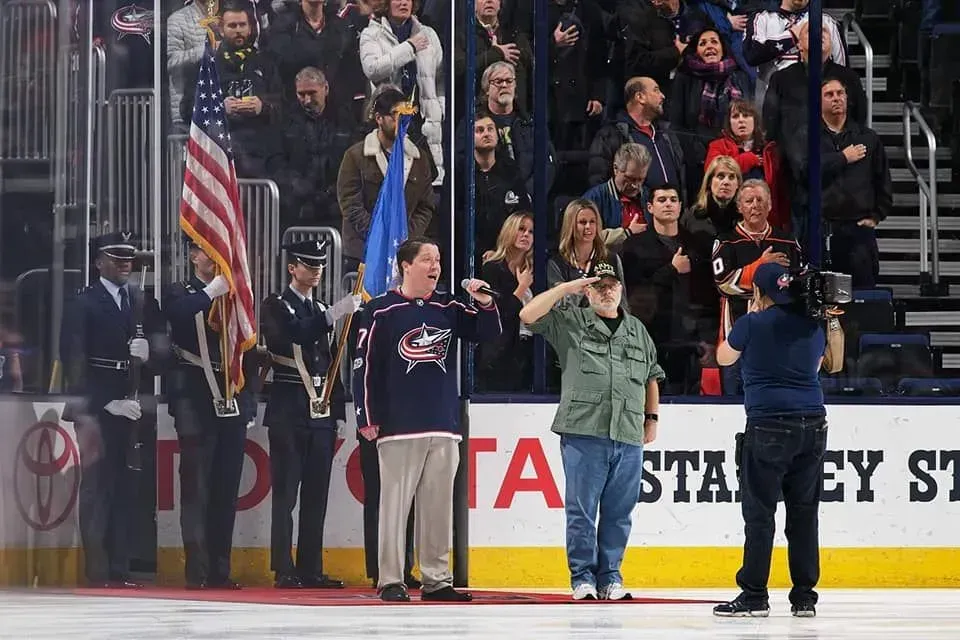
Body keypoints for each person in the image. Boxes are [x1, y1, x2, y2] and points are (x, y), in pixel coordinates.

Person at [352, 237, 502, 602]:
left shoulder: (449, 306)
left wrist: (484, 301)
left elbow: (489, 332)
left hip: (443, 423)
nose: (435, 265)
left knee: (438, 507)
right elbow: (363, 367)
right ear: (406, 265)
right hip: (399, 425)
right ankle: (391, 579)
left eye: (437, 259)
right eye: (427, 259)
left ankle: (437, 580)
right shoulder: (381, 310)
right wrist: (367, 415)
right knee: (394, 505)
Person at [518, 262, 665, 601]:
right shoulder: (570, 323)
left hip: (627, 432)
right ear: (587, 291)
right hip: (585, 430)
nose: (606, 291)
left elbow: (651, 376)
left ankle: (611, 577)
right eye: (598, 286)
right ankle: (582, 577)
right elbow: (527, 314)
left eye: (611, 285)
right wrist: (564, 289)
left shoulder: (637, 330)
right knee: (581, 511)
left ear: (620, 289)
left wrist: (652, 419)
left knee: (619, 512)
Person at [712, 262, 844, 618]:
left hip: (769, 423)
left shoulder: (751, 324)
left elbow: (723, 357)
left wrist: (750, 321)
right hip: (812, 424)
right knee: (804, 514)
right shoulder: (813, 323)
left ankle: (755, 596)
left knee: (760, 514)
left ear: (758, 292)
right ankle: (804, 597)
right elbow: (819, 365)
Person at [59, 232, 164, 588]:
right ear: (98, 262)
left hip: (132, 404)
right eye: (116, 257)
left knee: (126, 490)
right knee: (98, 490)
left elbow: (165, 353)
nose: (124, 263)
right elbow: (73, 361)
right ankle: (98, 571)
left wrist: (150, 353)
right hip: (96, 410)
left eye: (128, 258)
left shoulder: (140, 300)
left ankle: (120, 569)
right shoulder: (83, 303)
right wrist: (104, 403)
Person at [260, 239, 361, 589]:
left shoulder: (318, 307)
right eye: (308, 265)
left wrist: (339, 411)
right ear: (292, 268)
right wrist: (333, 313)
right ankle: (283, 568)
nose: (316, 270)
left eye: (320, 265)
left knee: (316, 495)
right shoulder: (276, 305)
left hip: (319, 414)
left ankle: (310, 568)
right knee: (286, 495)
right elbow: (293, 336)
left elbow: (333, 363)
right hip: (288, 409)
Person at [163, 239, 256, 590]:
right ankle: (197, 570)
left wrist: (245, 403)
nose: (214, 257)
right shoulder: (179, 291)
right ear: (193, 255)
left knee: (225, 489)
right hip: (194, 398)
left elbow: (244, 349)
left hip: (231, 396)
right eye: (207, 250)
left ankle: (221, 569)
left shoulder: (233, 297)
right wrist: (209, 294)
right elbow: (177, 314)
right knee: (196, 489)